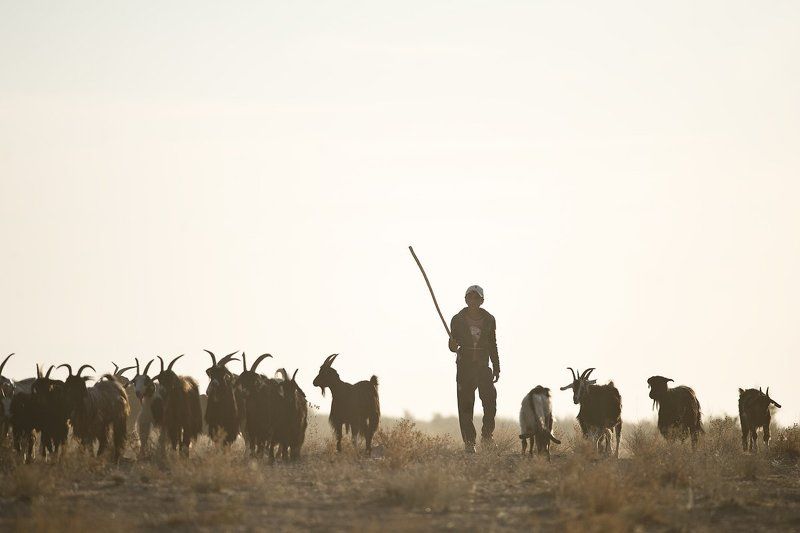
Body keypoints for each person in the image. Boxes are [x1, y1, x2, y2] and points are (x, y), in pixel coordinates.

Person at [448, 285, 499, 453]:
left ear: (482, 301)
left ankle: (487, 436)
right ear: (466, 300)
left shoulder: (490, 319)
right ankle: (469, 442)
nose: (473, 301)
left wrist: (496, 366)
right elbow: (453, 346)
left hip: (484, 367)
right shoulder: (457, 319)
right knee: (465, 406)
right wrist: (453, 345)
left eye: (476, 298)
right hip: (465, 368)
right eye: (470, 297)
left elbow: (493, 344)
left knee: (490, 402)